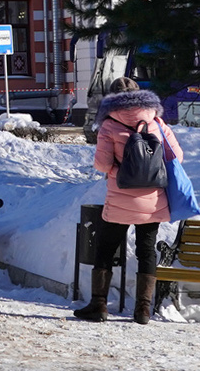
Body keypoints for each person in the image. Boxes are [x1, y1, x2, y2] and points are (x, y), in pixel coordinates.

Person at [75, 77, 183, 325]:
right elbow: (176, 155)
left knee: (105, 249)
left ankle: (99, 305)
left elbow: (102, 164)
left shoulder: (109, 125)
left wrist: (117, 172)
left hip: (121, 198)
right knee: (147, 251)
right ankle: (143, 310)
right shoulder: (157, 122)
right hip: (153, 199)